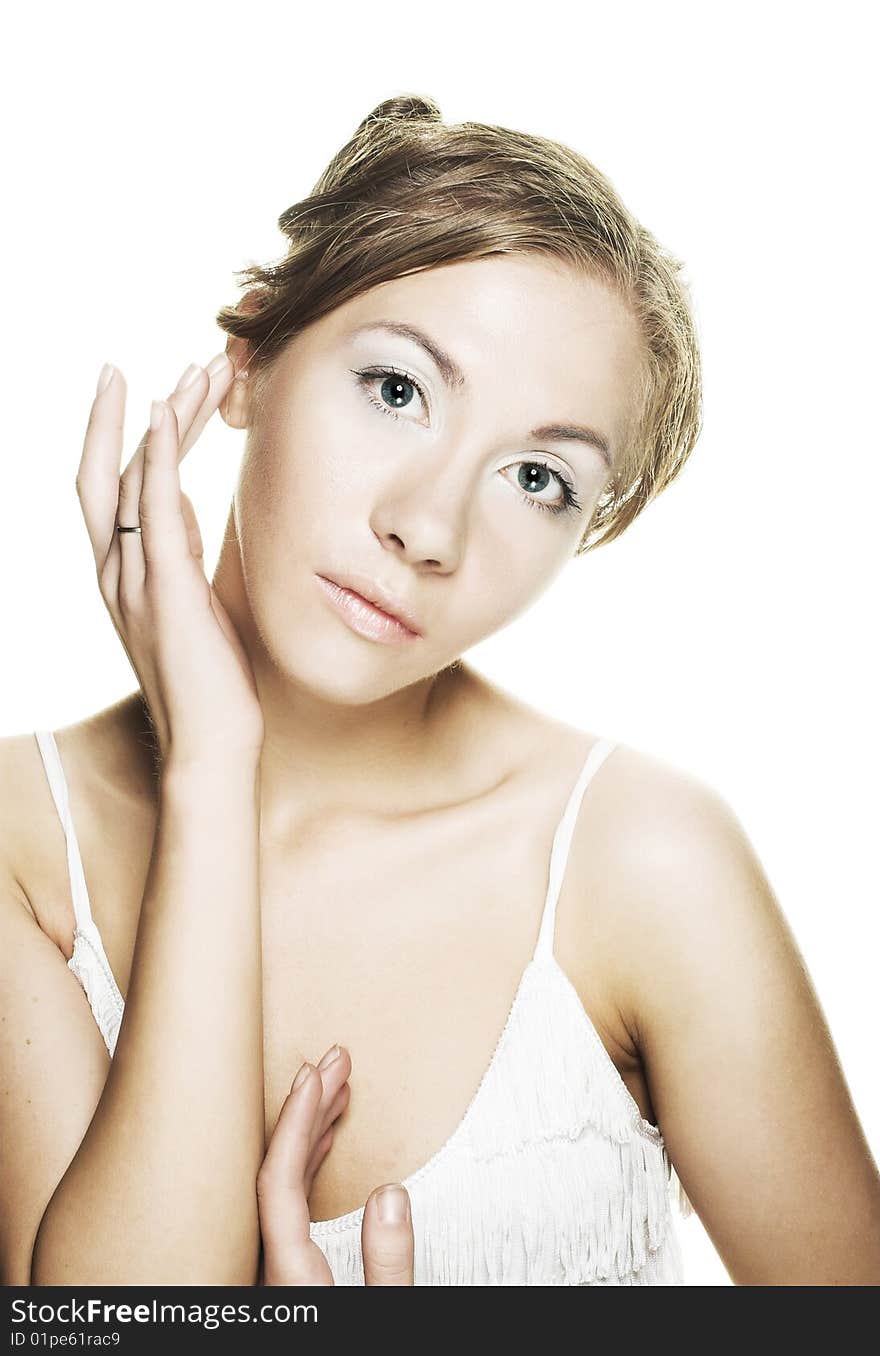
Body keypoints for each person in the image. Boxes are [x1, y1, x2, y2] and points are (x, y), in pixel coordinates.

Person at [2, 92, 879, 1288]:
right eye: (398, 390)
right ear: (250, 361)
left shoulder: (644, 864)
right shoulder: (18, 845)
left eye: (536, 477)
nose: (427, 528)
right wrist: (210, 768)